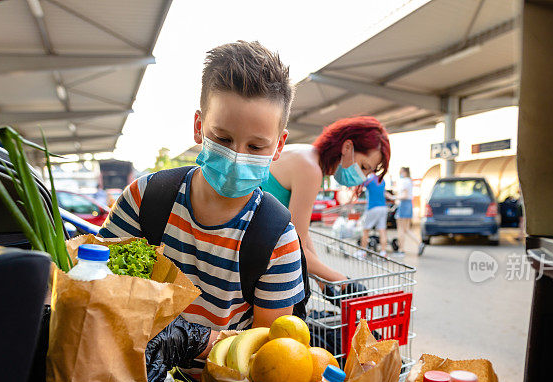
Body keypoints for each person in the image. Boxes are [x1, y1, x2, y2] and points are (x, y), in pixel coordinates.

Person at [99, 41, 305, 362]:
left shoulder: (276, 238)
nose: (237, 158)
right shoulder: (146, 200)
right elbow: (101, 290)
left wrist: (192, 342)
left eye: (256, 146)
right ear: (199, 127)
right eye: (223, 139)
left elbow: (269, 353)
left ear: (278, 145)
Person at [264, 116, 390, 281]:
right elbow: (295, 248)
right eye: (364, 167)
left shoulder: (309, 156)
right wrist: (342, 281)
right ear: (347, 147)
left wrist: (324, 283)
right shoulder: (310, 169)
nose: (363, 177)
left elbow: (297, 232)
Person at [359, 171, 393, 256]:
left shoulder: (369, 179)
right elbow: (384, 192)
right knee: (382, 230)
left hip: (372, 207)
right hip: (383, 207)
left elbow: (360, 185)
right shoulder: (382, 180)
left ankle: (363, 251)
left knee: (366, 230)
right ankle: (383, 252)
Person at [394, 166, 418, 256]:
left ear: (404, 172)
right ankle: (419, 243)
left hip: (403, 204)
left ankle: (401, 249)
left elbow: (404, 195)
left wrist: (395, 197)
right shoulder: (409, 181)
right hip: (409, 205)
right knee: (406, 229)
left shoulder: (404, 181)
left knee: (400, 229)